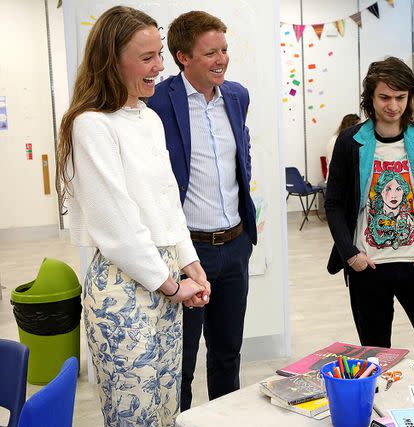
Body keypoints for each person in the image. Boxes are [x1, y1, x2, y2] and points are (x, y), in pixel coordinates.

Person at [55, 6, 210, 425]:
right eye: (148, 58)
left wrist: (190, 265)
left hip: (166, 277)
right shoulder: (91, 125)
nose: (160, 66)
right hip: (125, 288)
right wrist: (169, 283)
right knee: (133, 416)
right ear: (112, 60)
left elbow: (167, 205)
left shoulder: (150, 118)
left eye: (159, 54)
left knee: (165, 408)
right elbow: (117, 226)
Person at [147, 11, 256, 410]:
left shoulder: (237, 96)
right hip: (186, 254)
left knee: (228, 354)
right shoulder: (156, 102)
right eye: (210, 53)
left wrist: (245, 237)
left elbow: (241, 158)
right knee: (182, 362)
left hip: (235, 246)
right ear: (182, 57)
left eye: (224, 49)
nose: (221, 59)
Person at [325, 57, 414, 349]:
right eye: (384, 97)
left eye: (400, 97)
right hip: (367, 267)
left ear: (409, 98)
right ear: (370, 98)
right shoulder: (349, 141)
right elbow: (332, 203)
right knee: (375, 352)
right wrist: (350, 255)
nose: (393, 106)